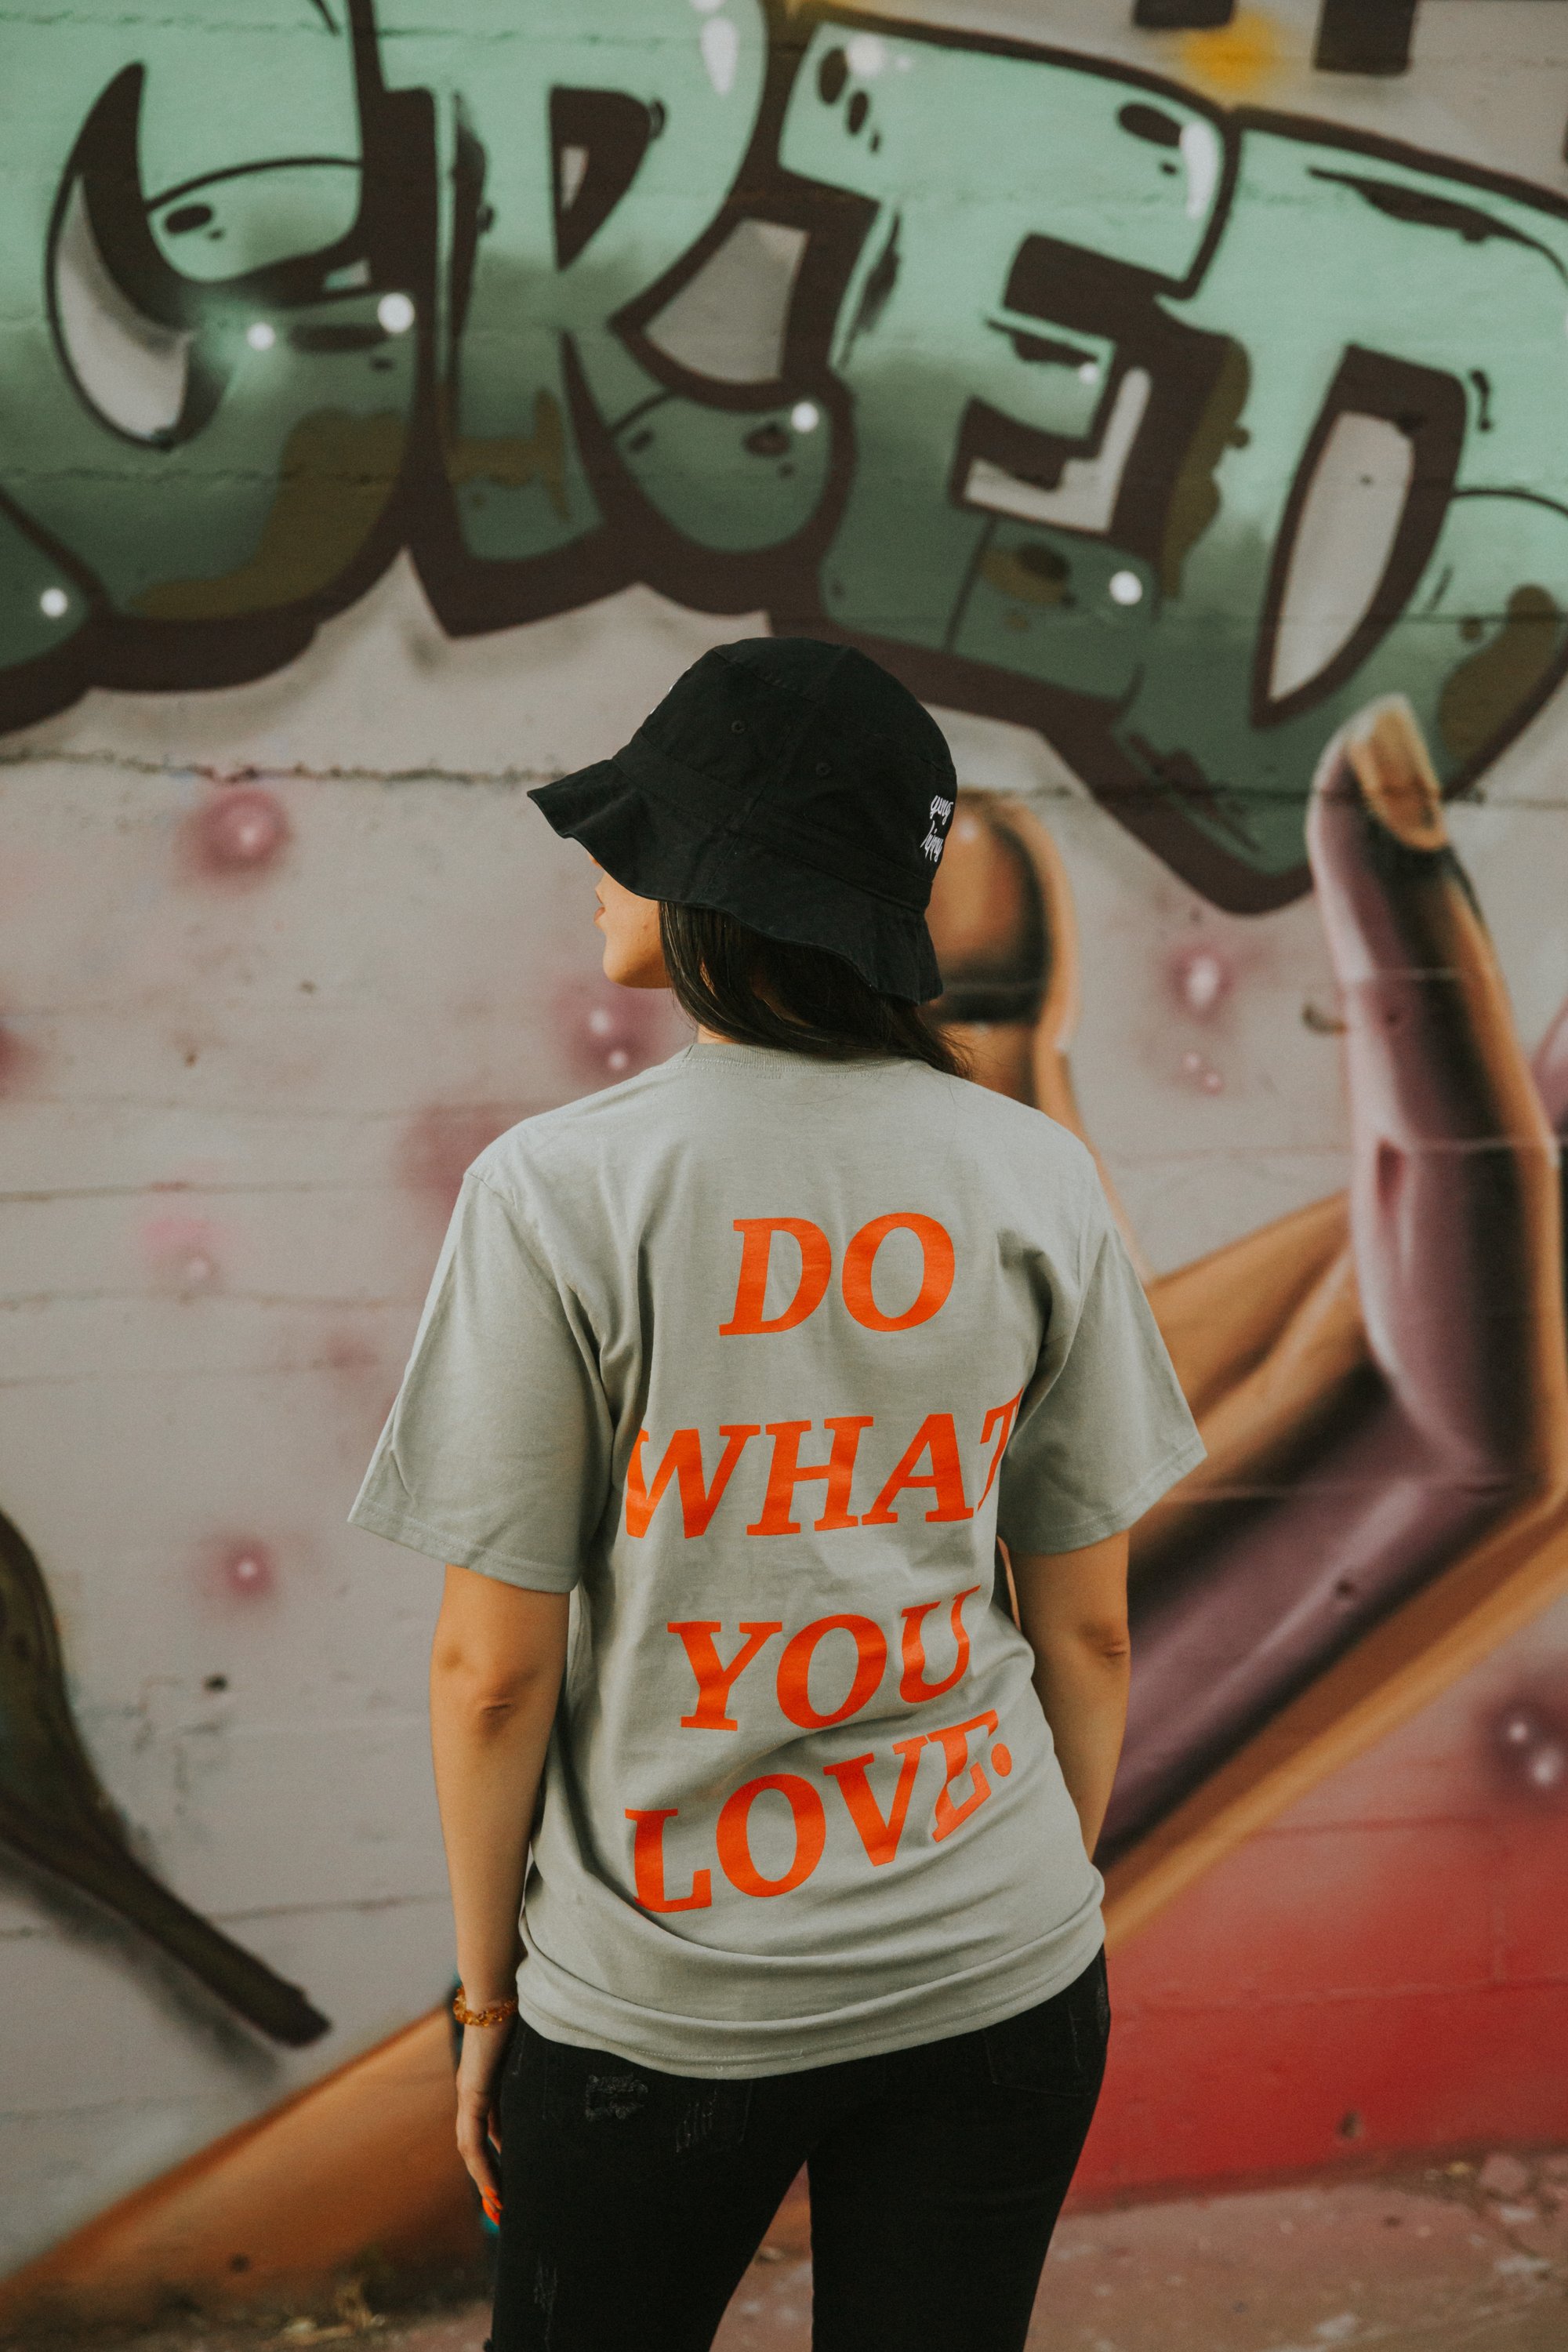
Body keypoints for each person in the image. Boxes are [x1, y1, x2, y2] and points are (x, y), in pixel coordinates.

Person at [349, 637, 1203, 2352]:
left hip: (658, 2008)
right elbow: (1091, 1633)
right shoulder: (1037, 1175)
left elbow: (491, 1673)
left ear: (718, 882)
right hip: (1003, 1968)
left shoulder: (557, 1193)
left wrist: (487, 2003)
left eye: (639, 834)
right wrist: (1009, 1908)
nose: (601, 867)